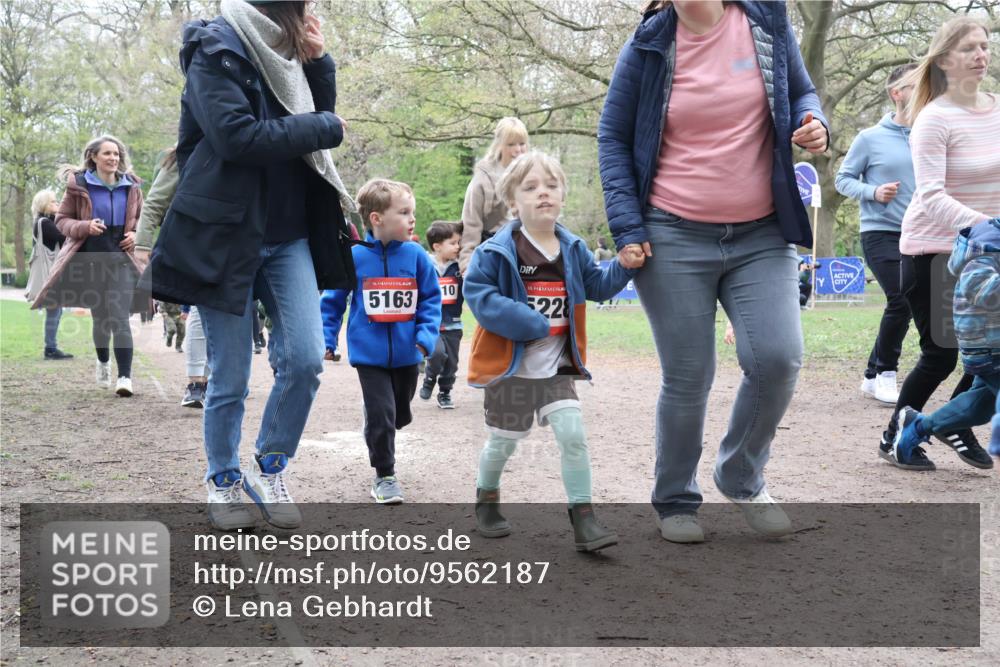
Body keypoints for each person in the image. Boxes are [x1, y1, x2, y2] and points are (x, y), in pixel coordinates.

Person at [598, 0, 829, 543]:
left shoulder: (765, 18)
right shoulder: (649, 43)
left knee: (777, 358)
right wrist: (627, 226)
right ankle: (676, 498)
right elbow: (612, 137)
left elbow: (801, 91)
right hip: (672, 233)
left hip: (763, 232)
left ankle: (741, 474)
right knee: (689, 376)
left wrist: (812, 121)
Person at [143, 0, 356, 530]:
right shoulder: (213, 47)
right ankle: (222, 480)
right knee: (230, 375)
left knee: (307, 359)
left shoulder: (288, 54)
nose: (309, 14)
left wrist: (317, 63)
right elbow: (236, 138)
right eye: (303, 8)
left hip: (290, 235)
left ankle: (271, 465)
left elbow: (311, 127)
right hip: (225, 235)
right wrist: (328, 126)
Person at [464, 151, 636, 552]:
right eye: (531, 187)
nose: (543, 193)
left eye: (551, 185)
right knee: (504, 441)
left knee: (573, 435)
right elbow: (480, 297)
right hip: (513, 369)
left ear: (562, 194)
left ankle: (585, 519)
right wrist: (530, 322)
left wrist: (625, 266)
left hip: (558, 367)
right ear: (512, 203)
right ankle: (486, 496)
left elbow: (597, 285)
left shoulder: (572, 248)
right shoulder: (497, 252)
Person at [878, 16, 997, 471]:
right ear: (946, 59)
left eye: (985, 46)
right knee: (943, 353)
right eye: (969, 48)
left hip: (989, 253)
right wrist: (989, 226)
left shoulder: (998, 108)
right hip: (935, 251)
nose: (981, 55)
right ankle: (894, 434)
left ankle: (951, 420)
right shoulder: (934, 117)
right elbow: (931, 196)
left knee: (990, 353)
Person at [320, 179, 441, 504]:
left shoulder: (417, 257)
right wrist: (327, 339)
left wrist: (424, 339)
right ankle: (385, 475)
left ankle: (383, 419)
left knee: (399, 412)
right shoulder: (354, 256)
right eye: (404, 212)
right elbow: (333, 300)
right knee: (382, 414)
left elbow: (431, 300)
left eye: (411, 212)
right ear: (376, 218)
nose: (412, 219)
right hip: (368, 355)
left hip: (408, 353)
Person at [31, 135, 145, 397]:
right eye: (107, 154)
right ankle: (103, 362)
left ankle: (125, 377)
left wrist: (136, 234)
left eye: (116, 154)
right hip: (91, 259)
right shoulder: (79, 185)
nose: (113, 158)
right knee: (101, 318)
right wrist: (85, 227)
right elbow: (61, 221)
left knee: (119, 316)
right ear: (93, 156)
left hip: (120, 259)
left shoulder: (132, 186)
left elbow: (142, 218)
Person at [835, 63, 918, 405]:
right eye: (915, 84)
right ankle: (885, 372)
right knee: (901, 298)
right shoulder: (869, 138)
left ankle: (871, 375)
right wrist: (873, 192)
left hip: (920, 233)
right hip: (880, 231)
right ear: (896, 93)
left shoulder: (931, 134)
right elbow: (843, 179)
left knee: (911, 301)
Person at [893, 218, 1000, 467]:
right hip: (988, 346)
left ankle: (918, 426)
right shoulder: (984, 248)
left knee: (977, 408)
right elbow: (984, 291)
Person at [134, 147, 207, 408]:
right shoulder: (182, 155)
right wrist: (142, 244)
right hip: (191, 242)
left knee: (226, 311)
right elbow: (155, 201)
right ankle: (196, 382)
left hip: (234, 241)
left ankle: (217, 380)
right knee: (201, 308)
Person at [458, 117, 529, 273]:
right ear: (500, 145)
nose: (518, 150)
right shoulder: (482, 180)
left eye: (522, 143)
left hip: (528, 252)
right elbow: (471, 226)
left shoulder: (534, 176)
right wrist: (467, 266)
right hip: (494, 251)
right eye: (511, 144)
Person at [26, 189, 73, 360]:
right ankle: (51, 348)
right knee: (54, 310)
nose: (57, 203)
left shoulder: (46, 221)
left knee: (56, 310)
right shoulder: (44, 223)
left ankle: (52, 347)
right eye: (53, 201)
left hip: (51, 272)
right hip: (49, 273)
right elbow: (64, 239)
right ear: (44, 204)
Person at [324, 220, 361, 362]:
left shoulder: (347, 225)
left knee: (337, 307)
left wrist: (349, 256)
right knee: (326, 307)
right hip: (319, 271)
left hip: (340, 271)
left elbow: (357, 242)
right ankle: (326, 341)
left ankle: (334, 343)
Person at [593, 237, 617, 310]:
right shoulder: (609, 251)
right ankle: (610, 303)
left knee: (599, 287)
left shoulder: (598, 251)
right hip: (609, 271)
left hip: (600, 271)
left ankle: (601, 303)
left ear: (598, 243)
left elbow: (596, 260)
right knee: (609, 287)